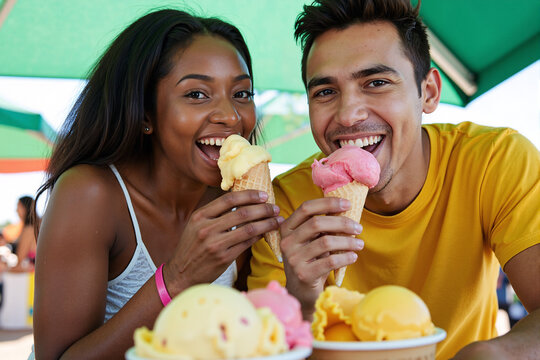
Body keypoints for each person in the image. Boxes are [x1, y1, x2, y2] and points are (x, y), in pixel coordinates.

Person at [248, 0, 540, 359]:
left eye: (376, 82)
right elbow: (264, 348)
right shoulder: (283, 206)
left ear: (428, 92)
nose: (349, 114)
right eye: (325, 91)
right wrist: (302, 301)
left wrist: (495, 355)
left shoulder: (494, 161)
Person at [32, 9, 282, 360]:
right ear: (146, 112)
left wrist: (300, 281)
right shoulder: (91, 193)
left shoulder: (238, 203)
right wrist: (177, 278)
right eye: (197, 94)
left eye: (242, 93)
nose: (231, 116)